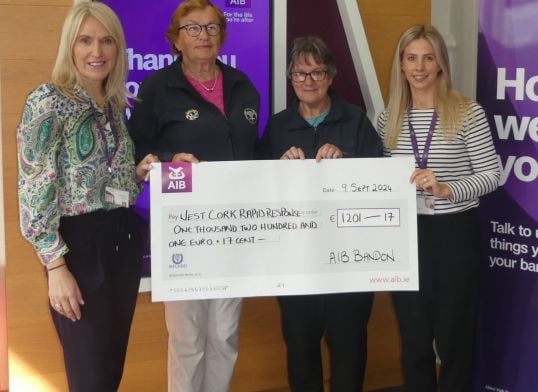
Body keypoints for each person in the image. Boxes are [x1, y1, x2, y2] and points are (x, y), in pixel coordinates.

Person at [16, 2, 157, 391]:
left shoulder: (113, 106)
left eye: (107, 41)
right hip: (78, 249)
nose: (97, 52)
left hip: (122, 241)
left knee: (110, 370)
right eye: (86, 41)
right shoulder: (48, 101)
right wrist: (56, 268)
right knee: (90, 377)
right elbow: (34, 188)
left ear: (118, 49)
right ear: (70, 47)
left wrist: (139, 174)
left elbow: (107, 186)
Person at [127, 0, 260, 390]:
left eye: (211, 28)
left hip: (234, 231)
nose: (204, 36)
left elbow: (254, 154)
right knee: (187, 339)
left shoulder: (243, 86)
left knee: (225, 335)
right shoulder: (158, 89)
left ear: (222, 35)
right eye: (193, 29)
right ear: (176, 40)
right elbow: (136, 152)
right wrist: (170, 158)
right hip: (182, 230)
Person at [376, 25, 502, 391]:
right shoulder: (390, 118)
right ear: (400, 65)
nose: (420, 67)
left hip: (453, 235)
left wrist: (449, 188)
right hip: (407, 237)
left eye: (428, 58)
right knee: (414, 341)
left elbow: (493, 174)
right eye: (412, 58)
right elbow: (381, 176)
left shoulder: (466, 112)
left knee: (453, 339)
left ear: (441, 64)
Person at [257, 36, 382, 392]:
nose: (308, 81)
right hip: (297, 265)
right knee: (300, 353)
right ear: (291, 78)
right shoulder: (278, 127)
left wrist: (348, 165)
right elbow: (258, 192)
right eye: (300, 73)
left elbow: (381, 184)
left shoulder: (356, 120)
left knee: (349, 354)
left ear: (331, 76)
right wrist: (278, 167)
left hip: (350, 265)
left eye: (317, 72)